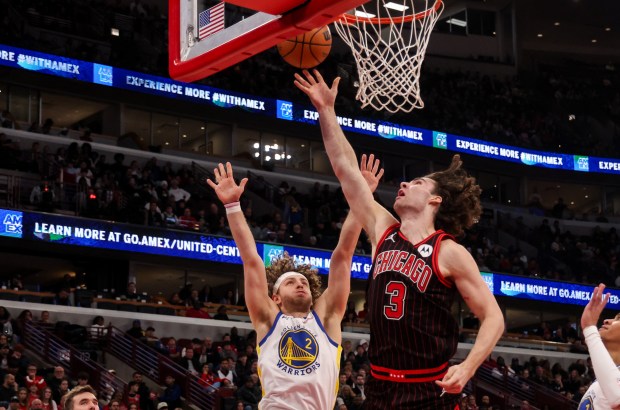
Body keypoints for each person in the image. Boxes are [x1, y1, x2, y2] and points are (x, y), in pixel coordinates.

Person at [294, 69, 504, 409]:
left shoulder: (449, 252)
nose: (404, 185)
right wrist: (326, 112)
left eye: (417, 183)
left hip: (426, 389)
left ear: (436, 201)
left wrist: (467, 367)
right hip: (378, 385)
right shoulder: (383, 230)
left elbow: (493, 317)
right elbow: (346, 171)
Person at [206, 158, 383, 409]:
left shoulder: (326, 317)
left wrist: (362, 197)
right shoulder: (268, 318)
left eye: (304, 282)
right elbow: (251, 261)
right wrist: (233, 205)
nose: (300, 284)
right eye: (291, 282)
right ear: (275, 297)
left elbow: (343, 256)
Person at [578, 283, 620, 409]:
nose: (607, 320)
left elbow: (618, 398)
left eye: (618, 319)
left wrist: (590, 330)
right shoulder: (599, 382)